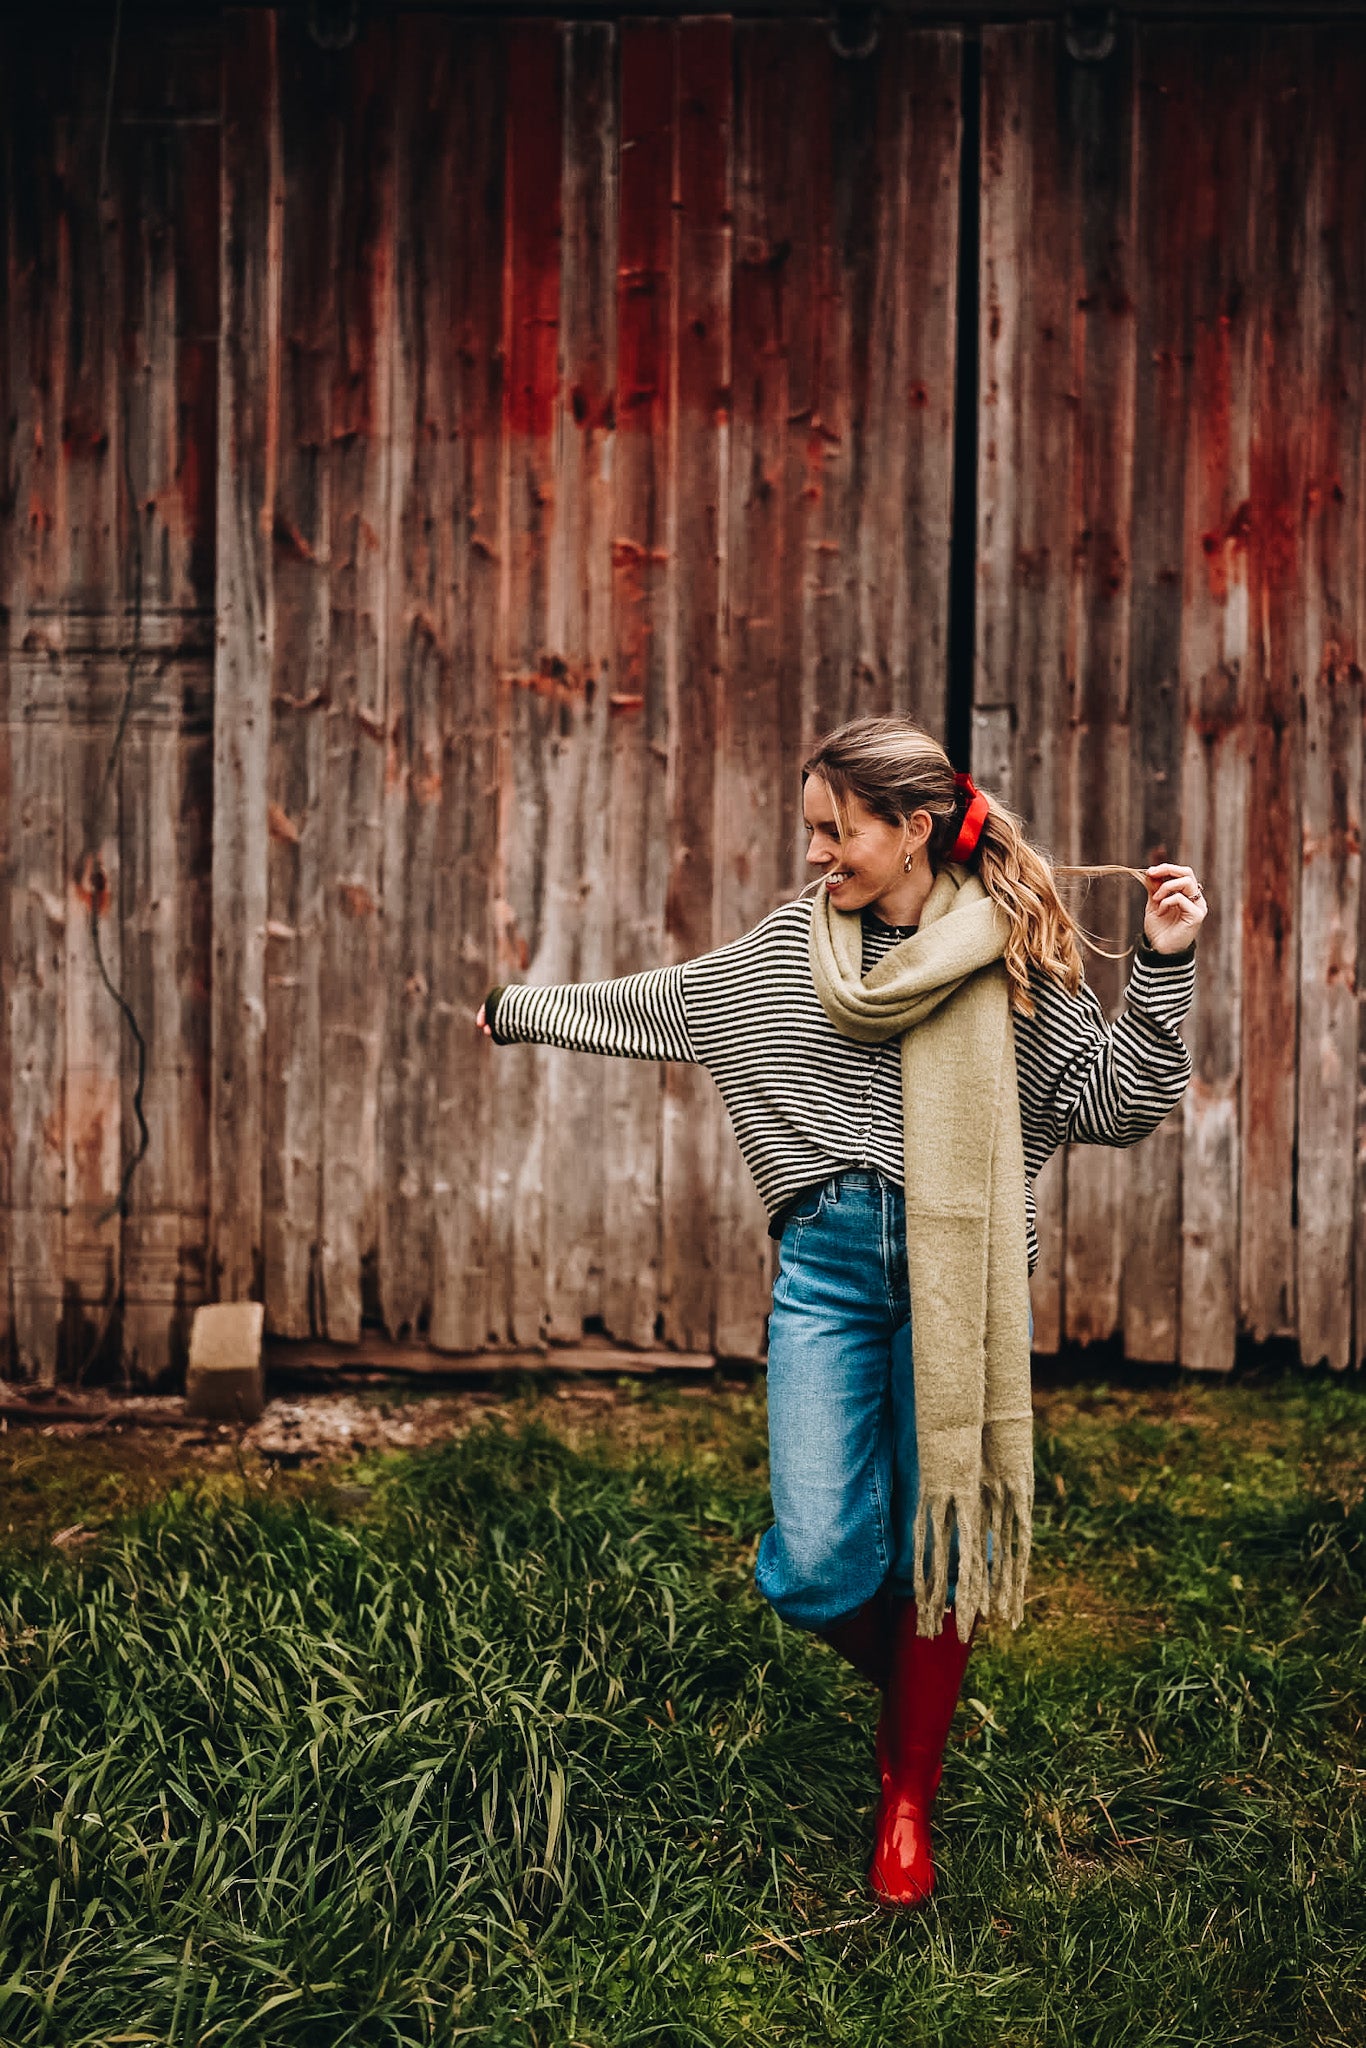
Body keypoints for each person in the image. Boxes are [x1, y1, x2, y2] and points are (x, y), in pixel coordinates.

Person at [476, 715, 1205, 1910]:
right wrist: (521, 1007)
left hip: (964, 1276)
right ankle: (917, 1683)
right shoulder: (790, 950)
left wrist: (1165, 964)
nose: (815, 852)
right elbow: (670, 1002)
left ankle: (907, 1789)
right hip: (828, 1269)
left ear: (913, 827)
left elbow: (1120, 1103)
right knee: (814, 1565)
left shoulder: (1012, 954)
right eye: (812, 828)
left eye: (836, 829)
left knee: (944, 1541)